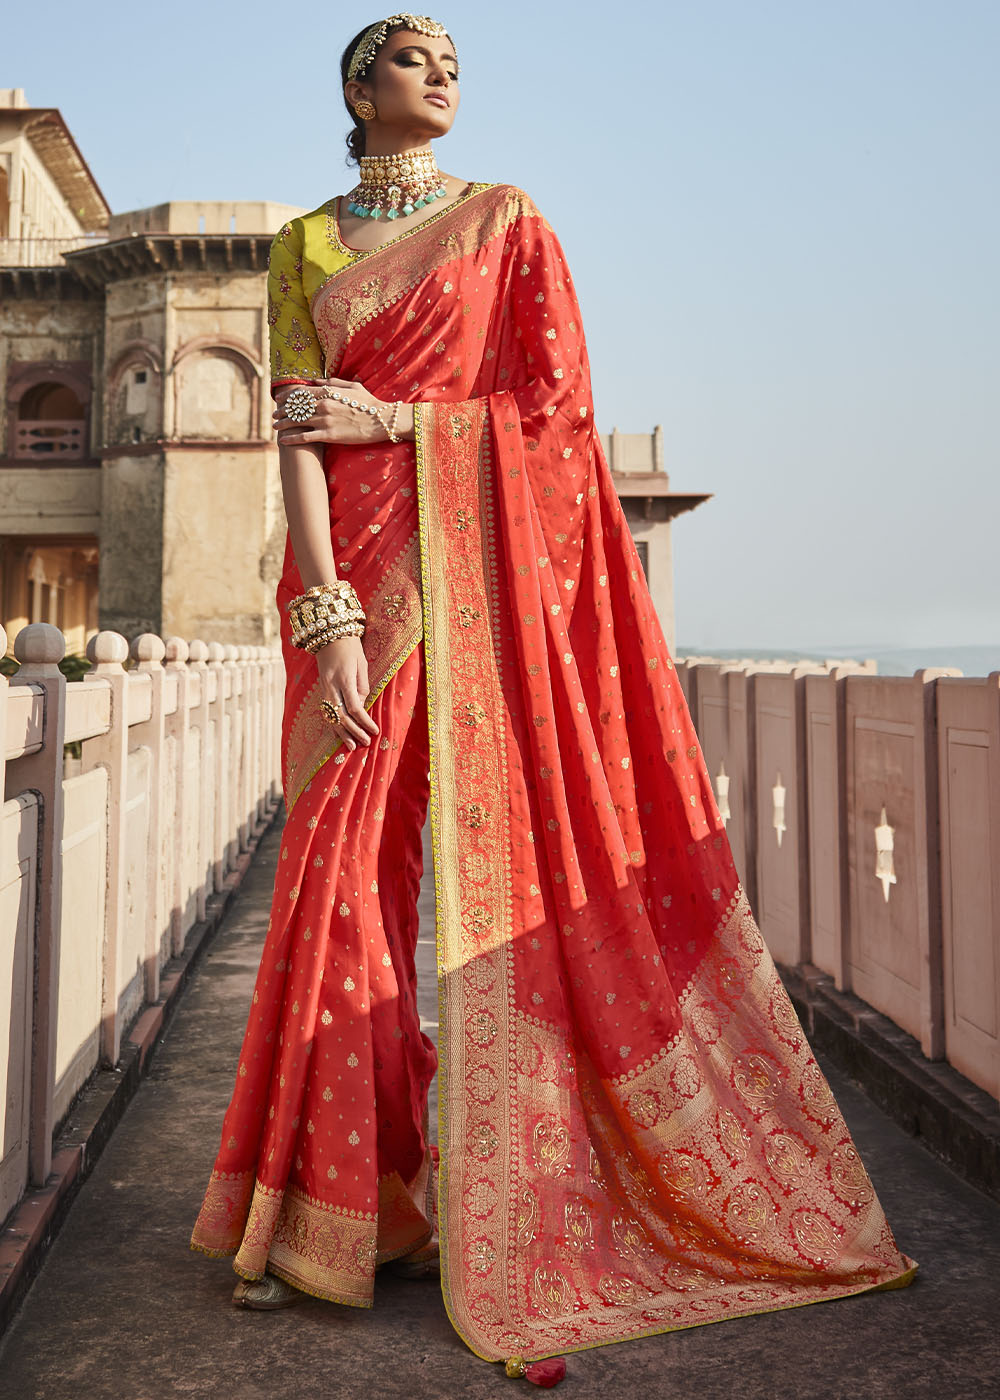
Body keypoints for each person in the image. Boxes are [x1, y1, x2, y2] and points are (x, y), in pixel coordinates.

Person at [190, 12, 916, 1378]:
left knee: (506, 879)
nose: (446, 74)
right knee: (335, 876)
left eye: (457, 60)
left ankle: (512, 1194)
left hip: (482, 595)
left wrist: (400, 420)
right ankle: (334, 1213)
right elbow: (295, 434)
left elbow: (558, 413)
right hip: (357, 593)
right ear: (358, 88)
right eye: (415, 57)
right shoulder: (300, 247)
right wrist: (327, 614)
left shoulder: (509, 223)